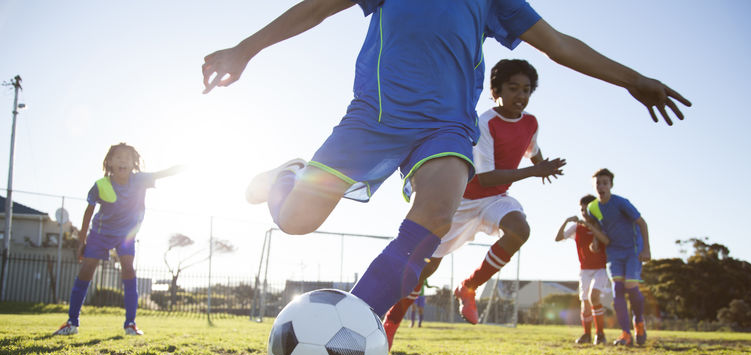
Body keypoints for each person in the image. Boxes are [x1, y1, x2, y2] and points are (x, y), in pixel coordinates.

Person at [201, 0, 690, 321]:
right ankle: (290, 176)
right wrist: (245, 49)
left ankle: (354, 324)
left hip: (447, 124)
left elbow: (559, 44)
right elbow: (316, 9)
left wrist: (631, 78)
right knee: (296, 222)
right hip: (373, 115)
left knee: (435, 214)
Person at [381, 59, 564, 348]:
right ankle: (392, 321)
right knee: (427, 268)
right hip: (463, 199)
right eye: (513, 88)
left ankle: (469, 287)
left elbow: (532, 149)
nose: (521, 96)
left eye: (526, 90)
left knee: (520, 230)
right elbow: (488, 177)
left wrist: (543, 165)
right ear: (496, 92)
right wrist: (534, 171)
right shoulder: (485, 122)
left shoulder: (531, 122)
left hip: (494, 199)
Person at [53, 143, 183, 336]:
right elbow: (88, 212)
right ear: (110, 162)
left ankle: (130, 324)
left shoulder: (140, 180)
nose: (123, 160)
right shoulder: (101, 185)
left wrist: (183, 167)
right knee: (87, 269)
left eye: (127, 158)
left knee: (128, 269)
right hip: (100, 232)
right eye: (118, 157)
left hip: (126, 234)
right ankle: (72, 322)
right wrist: (82, 241)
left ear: (133, 164)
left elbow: (163, 173)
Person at [587, 168, 650, 346]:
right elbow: (598, 226)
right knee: (618, 290)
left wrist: (646, 250)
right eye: (598, 183)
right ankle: (625, 333)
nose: (601, 186)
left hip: (632, 249)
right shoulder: (593, 207)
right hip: (613, 252)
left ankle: (639, 322)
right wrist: (596, 241)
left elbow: (642, 223)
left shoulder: (622, 203)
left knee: (631, 285)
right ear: (594, 185)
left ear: (611, 185)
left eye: (605, 183)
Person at [555, 194, 611, 345]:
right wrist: (567, 221)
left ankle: (600, 334)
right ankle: (587, 334)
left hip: (600, 268)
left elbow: (604, 243)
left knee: (594, 296)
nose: (584, 213)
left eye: (587, 209)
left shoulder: (601, 225)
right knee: (585, 301)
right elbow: (558, 238)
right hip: (584, 270)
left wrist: (593, 232)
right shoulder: (577, 227)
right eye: (582, 210)